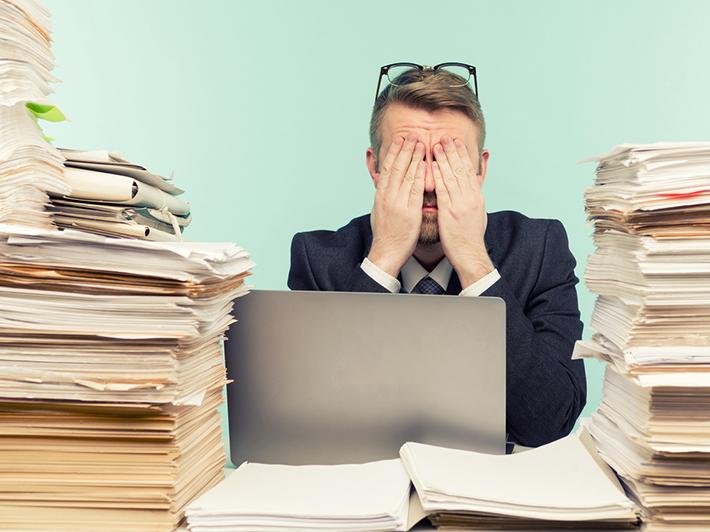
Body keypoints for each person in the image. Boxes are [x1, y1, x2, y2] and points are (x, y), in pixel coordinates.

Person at [287, 63, 586, 448]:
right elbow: (314, 423)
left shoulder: (539, 247)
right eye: (408, 159)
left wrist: (476, 264)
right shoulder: (317, 259)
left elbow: (550, 422)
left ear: (480, 169)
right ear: (375, 167)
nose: (429, 182)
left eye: (449, 161)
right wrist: (383, 257)